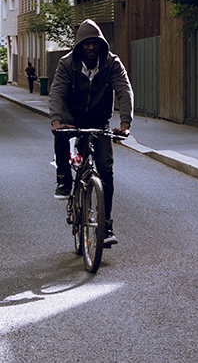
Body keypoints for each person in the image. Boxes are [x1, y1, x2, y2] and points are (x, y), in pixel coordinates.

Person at [48, 19, 133, 248]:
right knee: (62, 133)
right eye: (87, 44)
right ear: (79, 46)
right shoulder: (67, 64)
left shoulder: (112, 63)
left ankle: (106, 227)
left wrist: (125, 123)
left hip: (99, 119)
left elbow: (124, 90)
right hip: (72, 115)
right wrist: (56, 120)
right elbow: (57, 91)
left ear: (102, 45)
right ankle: (64, 179)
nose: (92, 48)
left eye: (95, 43)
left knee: (106, 170)